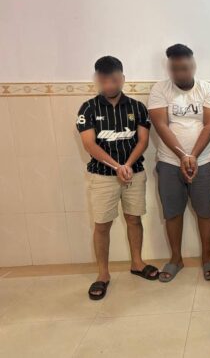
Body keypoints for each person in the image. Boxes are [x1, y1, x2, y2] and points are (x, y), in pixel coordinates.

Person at [76, 56, 157, 300]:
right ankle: (103, 274)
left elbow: (143, 141)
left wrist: (127, 165)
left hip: (134, 172)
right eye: (103, 80)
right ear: (97, 80)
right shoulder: (88, 108)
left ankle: (137, 263)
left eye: (113, 80)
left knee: (134, 218)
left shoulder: (137, 108)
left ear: (122, 78)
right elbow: (89, 144)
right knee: (102, 224)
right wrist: (116, 166)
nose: (109, 85)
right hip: (102, 176)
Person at [148, 44, 210, 281]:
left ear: (193, 65)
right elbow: (160, 125)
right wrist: (182, 156)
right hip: (169, 162)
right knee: (172, 213)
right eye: (175, 68)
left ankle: (207, 257)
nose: (180, 73)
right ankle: (175, 259)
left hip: (204, 161)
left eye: (184, 68)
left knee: (205, 212)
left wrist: (193, 156)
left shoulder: (207, 89)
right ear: (169, 68)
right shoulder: (160, 89)